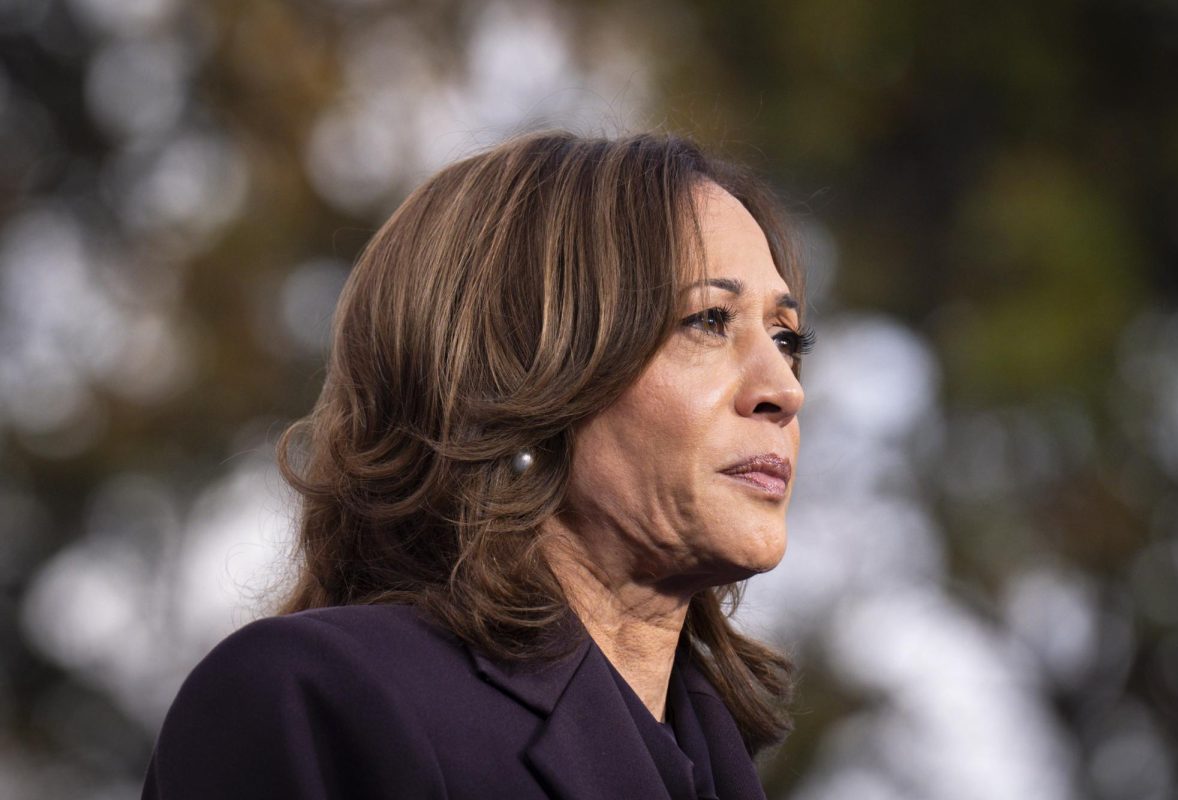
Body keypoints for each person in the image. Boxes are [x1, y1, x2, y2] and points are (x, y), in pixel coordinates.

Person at [142, 131, 813, 800]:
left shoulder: (721, 771)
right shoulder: (314, 704)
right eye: (707, 320)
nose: (784, 389)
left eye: (786, 337)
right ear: (521, 372)